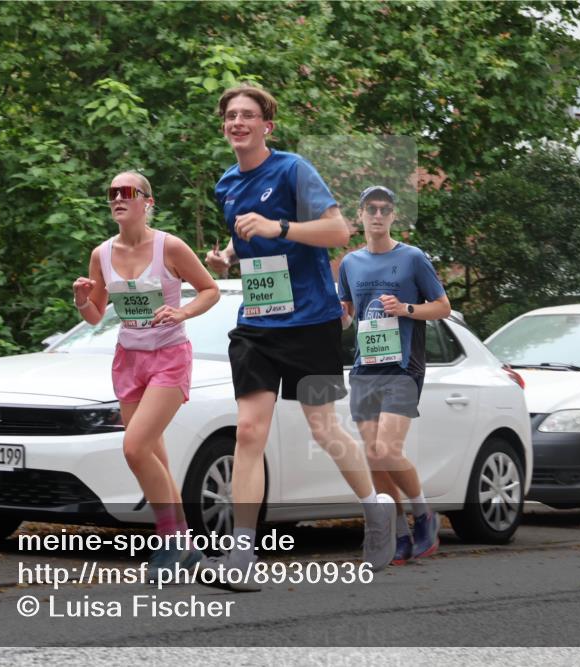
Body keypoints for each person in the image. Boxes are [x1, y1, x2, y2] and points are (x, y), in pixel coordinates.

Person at [205, 84, 396, 589]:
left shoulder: (293, 170)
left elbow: (338, 233)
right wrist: (229, 254)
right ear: (224, 125)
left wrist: (278, 227)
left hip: (311, 320)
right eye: (231, 116)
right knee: (249, 431)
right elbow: (246, 231)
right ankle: (242, 557)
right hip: (258, 325)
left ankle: (376, 510)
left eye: (248, 115)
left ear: (267, 125)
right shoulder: (226, 183)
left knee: (323, 428)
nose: (238, 122)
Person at [73, 170, 220, 577]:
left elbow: (210, 289)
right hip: (129, 360)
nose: (118, 198)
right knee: (153, 455)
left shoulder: (169, 247)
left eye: (127, 192)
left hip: (170, 357)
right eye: (112, 193)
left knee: (135, 448)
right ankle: (186, 547)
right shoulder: (102, 253)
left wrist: (183, 310)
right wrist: (82, 300)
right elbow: (95, 315)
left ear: (147, 202)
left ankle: (170, 541)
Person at [337, 186, 451, 564]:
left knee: (387, 449)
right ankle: (399, 534)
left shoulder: (412, 258)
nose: (378, 215)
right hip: (364, 368)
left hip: (403, 365)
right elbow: (347, 312)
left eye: (385, 209)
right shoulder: (351, 263)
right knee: (373, 456)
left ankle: (424, 516)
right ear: (361, 214)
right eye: (371, 208)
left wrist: (405, 308)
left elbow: (442, 308)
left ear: (393, 216)